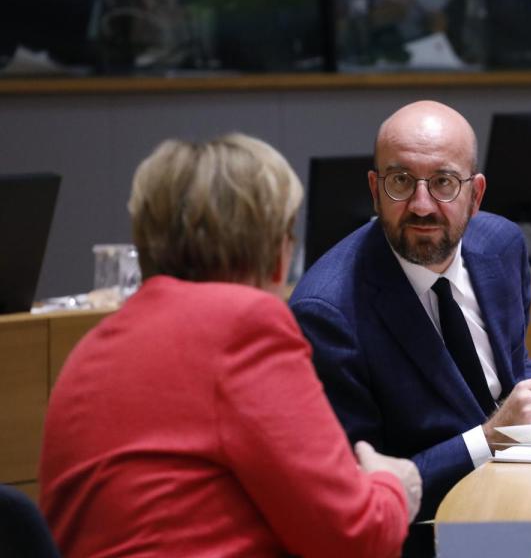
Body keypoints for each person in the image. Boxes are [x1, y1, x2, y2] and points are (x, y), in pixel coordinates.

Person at [39, 134, 420, 558]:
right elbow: (356, 537)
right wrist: (394, 486)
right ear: (277, 250)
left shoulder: (93, 346)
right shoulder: (243, 327)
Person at [289, 100, 531, 529]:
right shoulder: (327, 312)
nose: (422, 205)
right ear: (374, 189)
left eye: (443, 182)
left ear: (475, 194)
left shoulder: (502, 245)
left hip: (517, 500)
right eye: (401, 181)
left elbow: (510, 371)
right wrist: (488, 438)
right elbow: (358, 493)